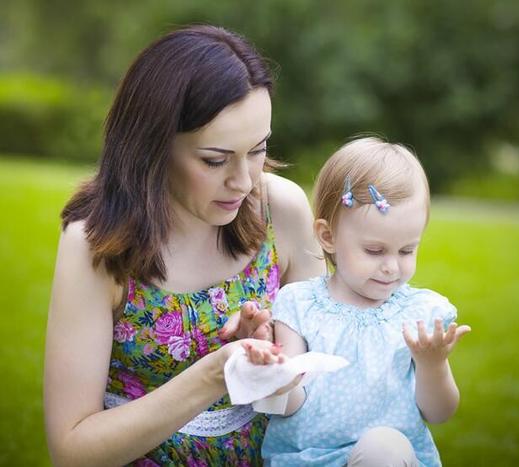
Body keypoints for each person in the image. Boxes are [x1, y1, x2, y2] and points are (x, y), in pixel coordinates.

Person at [43, 25, 324, 466]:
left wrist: (274, 361)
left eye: (257, 150)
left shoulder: (280, 210)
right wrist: (216, 375)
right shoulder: (95, 243)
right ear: (152, 145)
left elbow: (326, 380)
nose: (244, 181)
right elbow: (72, 451)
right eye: (215, 160)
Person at [243, 137, 471, 466]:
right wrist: (276, 377)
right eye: (375, 250)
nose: (392, 266)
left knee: (384, 446)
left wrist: (432, 364)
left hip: (385, 459)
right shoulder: (300, 305)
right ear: (328, 236)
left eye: (407, 250)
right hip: (309, 458)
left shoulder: (418, 315)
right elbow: (289, 405)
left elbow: (439, 413)